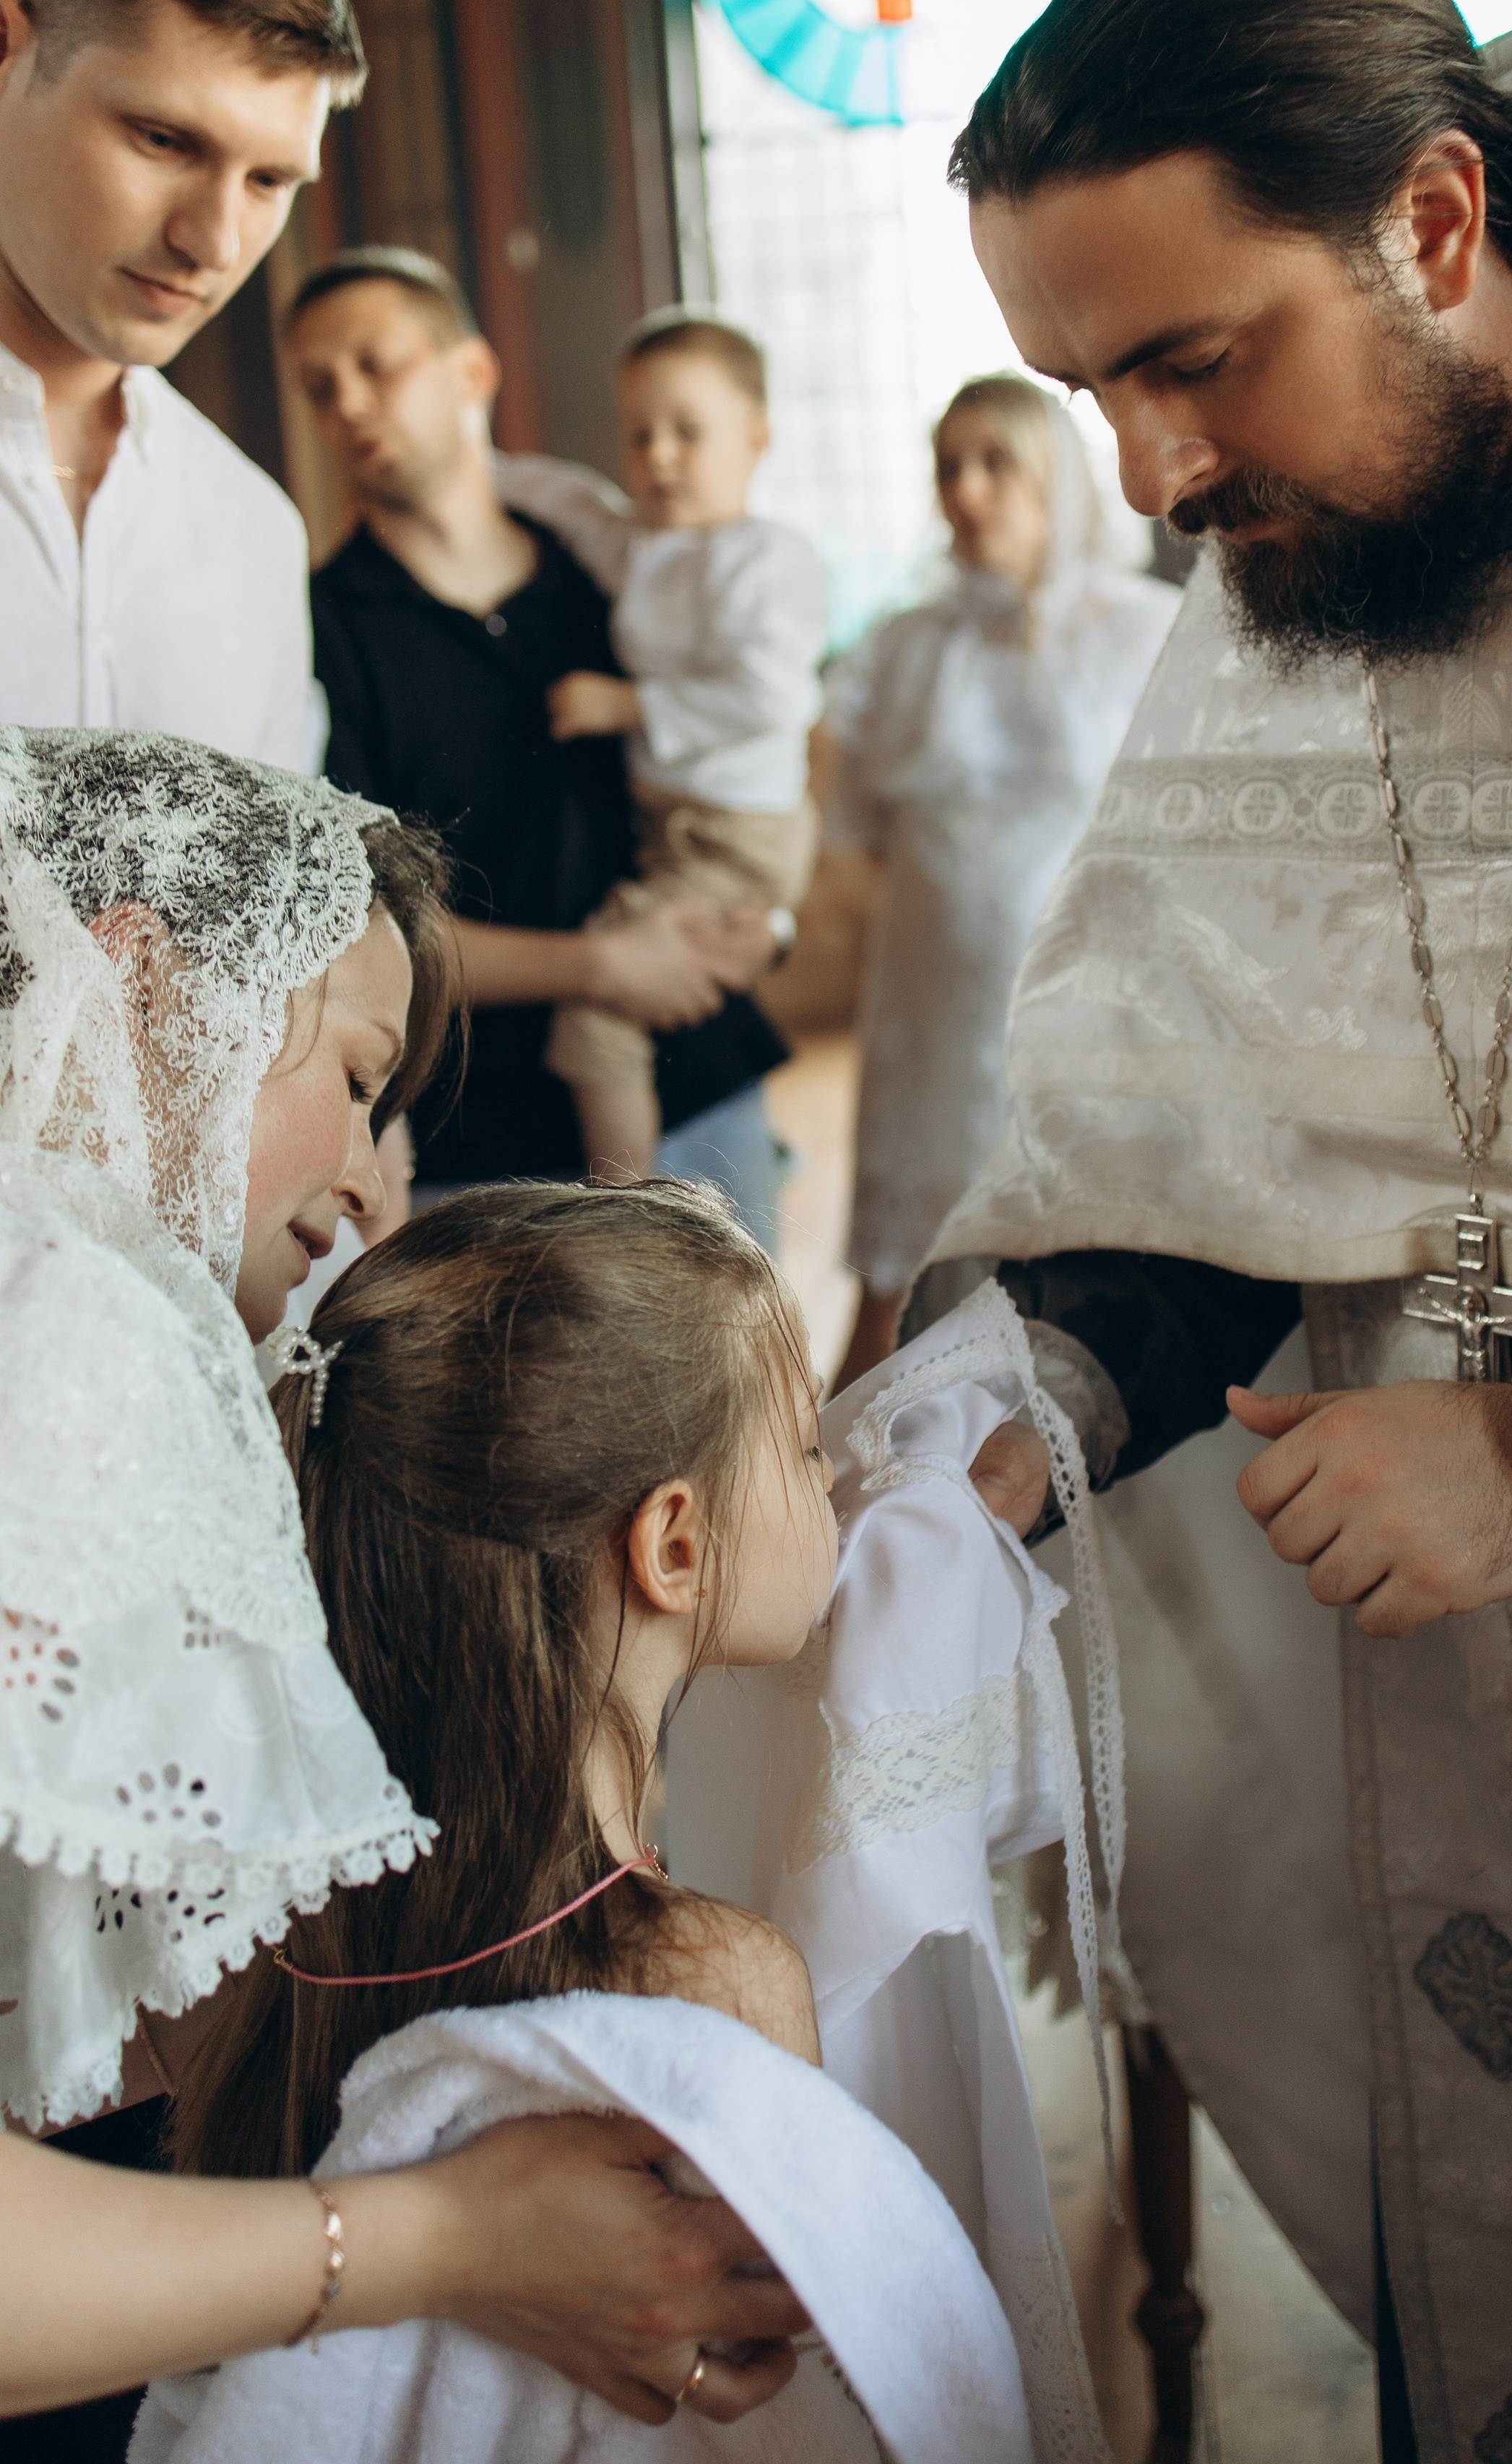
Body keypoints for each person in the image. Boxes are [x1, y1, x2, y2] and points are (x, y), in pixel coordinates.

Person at [917, 0, 1512, 2463]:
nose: (1147, 476)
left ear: (1433, 219)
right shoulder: (1291, 578)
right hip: (1446, 1799)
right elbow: (1194, 1122)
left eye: (1193, 365)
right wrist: (1031, 1416)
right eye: (1084, 388)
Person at [0, 730, 808, 2437]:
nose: (377, 1178)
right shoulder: (67, 1352)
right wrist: (446, 2232)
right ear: (141, 979)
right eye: (359, 1076)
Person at [151, 1183, 1037, 2461]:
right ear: (673, 1546)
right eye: (797, 1447)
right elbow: (768, 2415)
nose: (835, 1473)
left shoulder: (262, 1940)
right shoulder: (712, 1981)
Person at [290, 251, 788, 1241]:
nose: (347, 401)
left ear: (471, 373)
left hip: (701, 1082)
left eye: (375, 364)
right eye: (319, 385)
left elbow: (743, 754)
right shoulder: (322, 629)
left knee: (755, 1395)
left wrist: (766, 925)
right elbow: (369, 928)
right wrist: (599, 968)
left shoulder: (615, 567)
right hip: (482, 1149)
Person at [828, 376, 1175, 1384]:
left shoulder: (1143, 631)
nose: (968, 492)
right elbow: (861, 832)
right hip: (931, 1002)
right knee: (903, 1260)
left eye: (995, 465)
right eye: (949, 467)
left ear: (1055, 479)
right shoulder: (904, 650)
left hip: (1093, 997)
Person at [0, 0, 357, 775]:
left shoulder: (252, 533)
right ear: (6, 46)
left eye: (269, 181)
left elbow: (287, 906)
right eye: (163, 139)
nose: (216, 243)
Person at [544, 311, 826, 1186]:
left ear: (755, 438)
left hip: (736, 831)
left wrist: (628, 703)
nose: (658, 456)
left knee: (599, 1022)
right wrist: (475, 462)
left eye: (686, 433)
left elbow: (774, 695)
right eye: (639, 435)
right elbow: (564, 500)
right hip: (680, 823)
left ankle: (621, 1215)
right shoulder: (642, 545)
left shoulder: (767, 560)